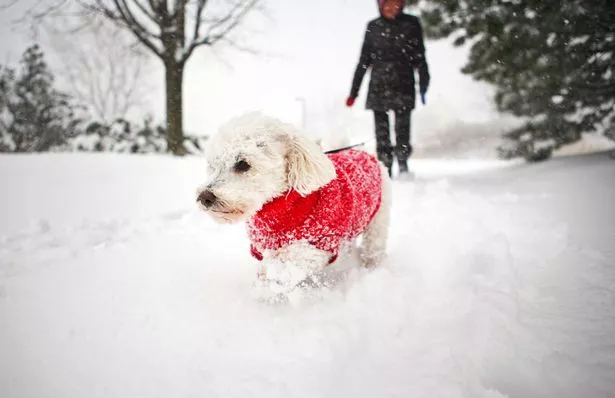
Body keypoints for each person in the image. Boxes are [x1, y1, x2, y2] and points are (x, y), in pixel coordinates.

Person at [346, 0, 430, 177]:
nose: (391, 8)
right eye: (386, 5)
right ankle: (385, 168)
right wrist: (354, 92)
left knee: (402, 128)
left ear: (401, 5)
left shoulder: (411, 24)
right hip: (379, 85)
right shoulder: (374, 27)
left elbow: (420, 58)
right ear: (380, 6)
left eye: (395, 4)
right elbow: (363, 61)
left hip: (404, 84)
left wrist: (423, 84)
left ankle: (403, 163)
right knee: (381, 131)